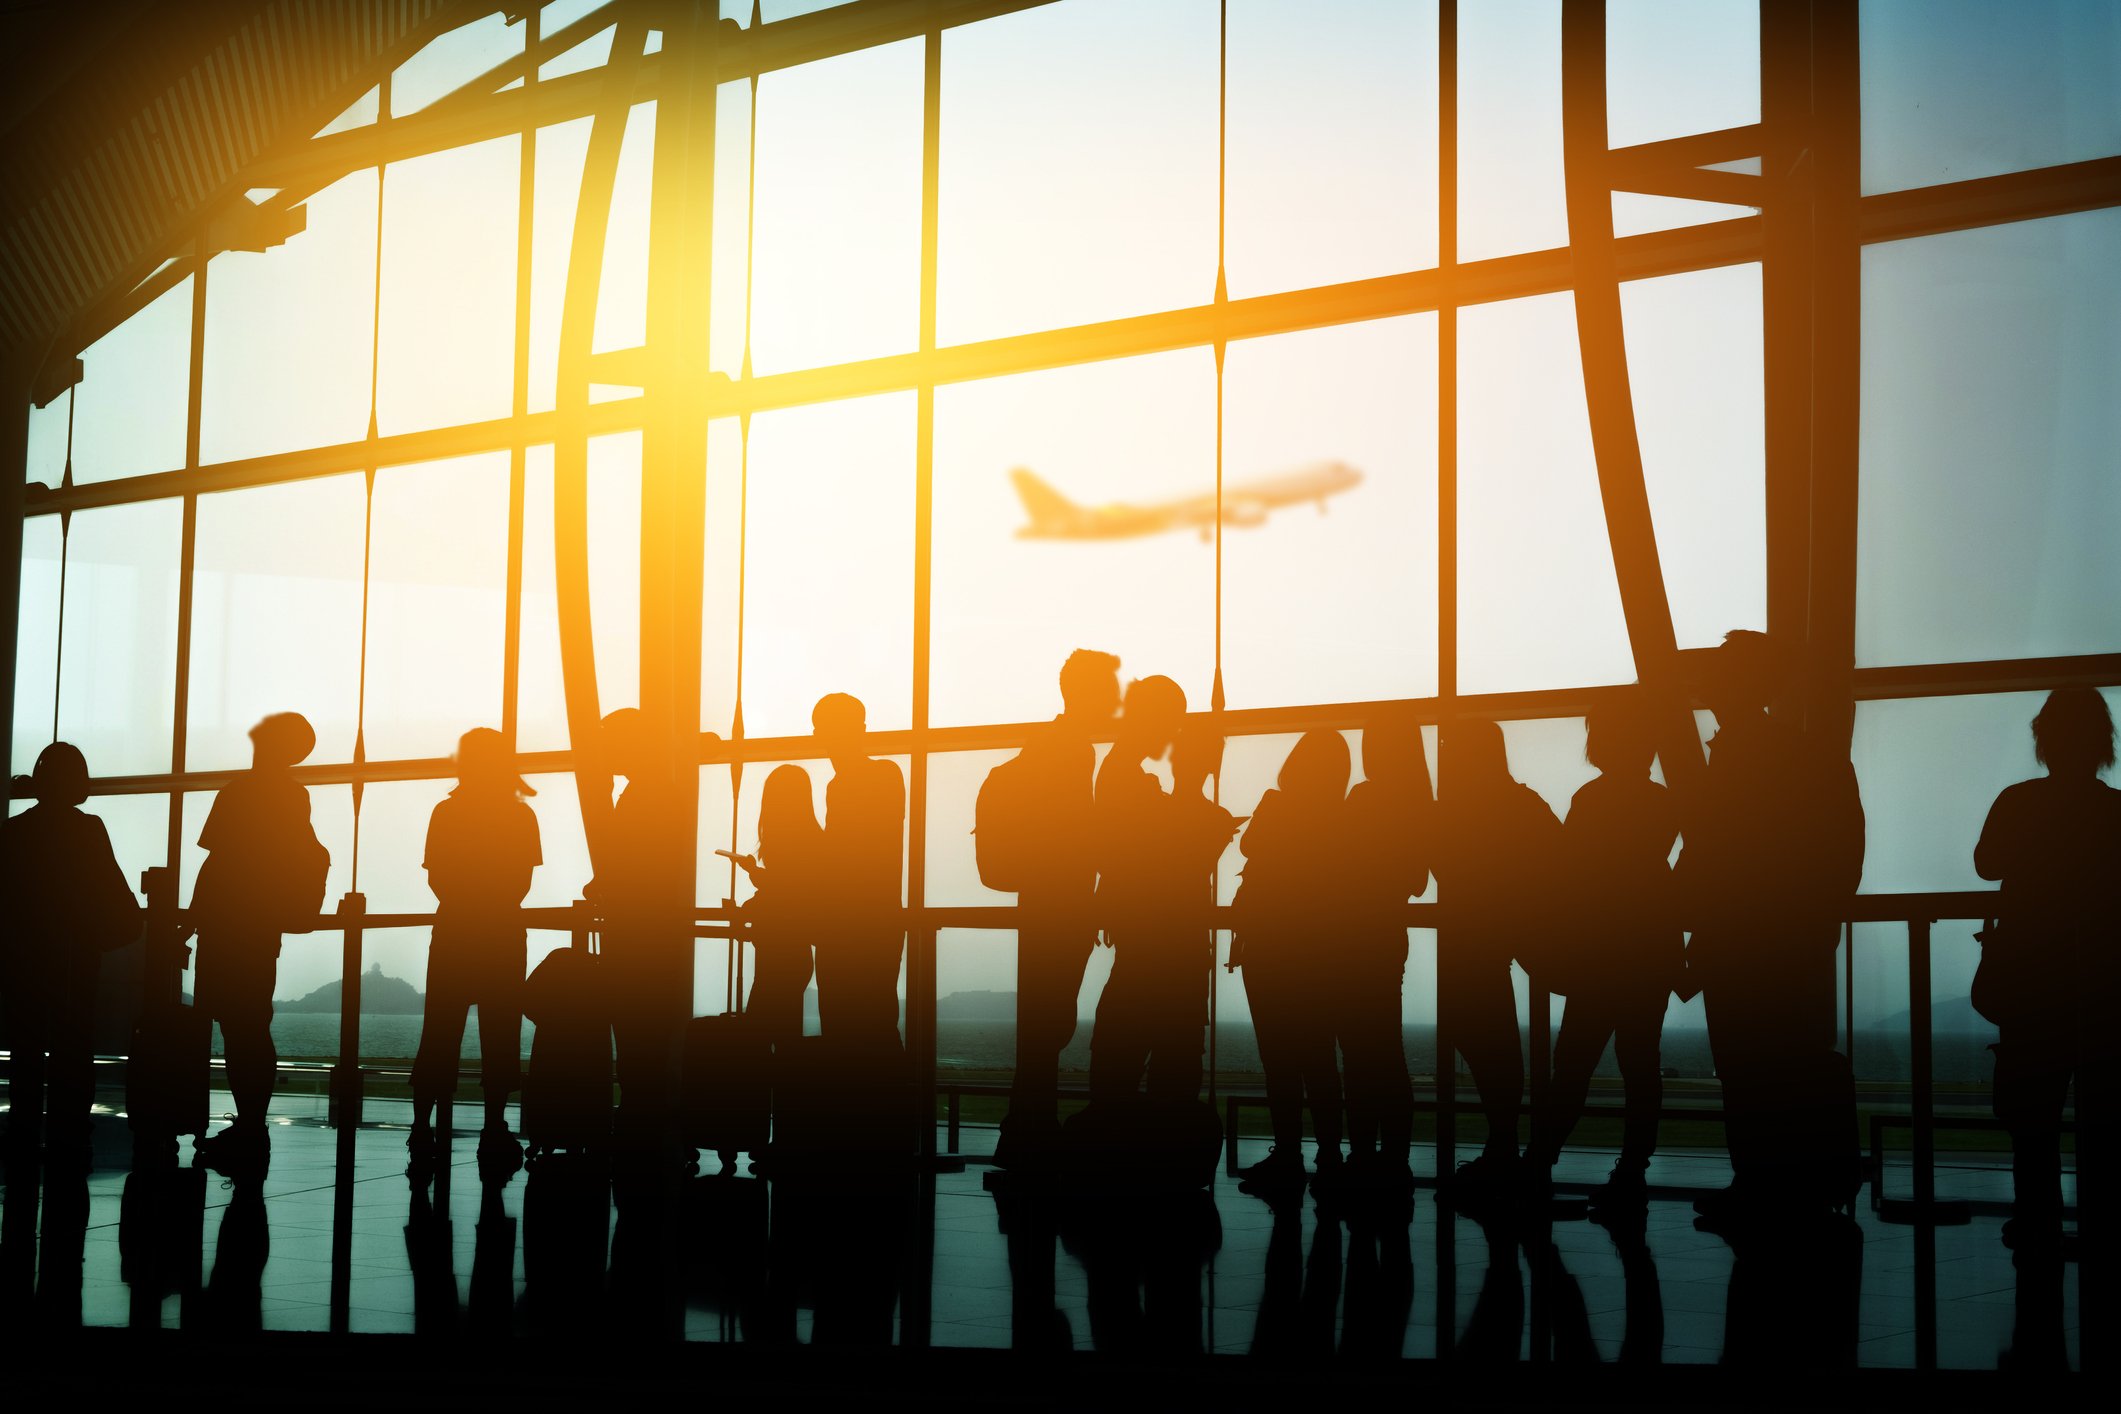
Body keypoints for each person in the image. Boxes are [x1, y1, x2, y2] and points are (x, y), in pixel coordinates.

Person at [1677, 630, 1863, 1220]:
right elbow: (1843, 854)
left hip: (1739, 938)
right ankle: (1794, 1183)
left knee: (1745, 1064)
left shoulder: (1730, 764)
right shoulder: (1815, 758)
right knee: (1785, 1058)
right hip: (1794, 938)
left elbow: (1709, 852)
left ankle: (1758, 1180)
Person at [1973, 687, 2121, 1252]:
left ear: (2045, 741)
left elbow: (1988, 864)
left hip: (2031, 979)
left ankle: (2036, 1218)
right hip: (2102, 984)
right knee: (2103, 1115)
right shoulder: (2112, 811)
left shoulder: (2018, 802)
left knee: (2030, 1116)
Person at [1528, 695, 1681, 1211]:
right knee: (1641, 1063)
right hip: (1650, 946)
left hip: (1602, 950)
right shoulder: (1662, 802)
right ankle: (1631, 1171)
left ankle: (1539, 1160)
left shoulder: (1591, 801)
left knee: (1573, 1062)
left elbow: (1571, 876)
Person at [994, 648, 1122, 1170]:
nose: (1115, 699)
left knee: (1042, 1023)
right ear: (1084, 692)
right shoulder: (1073, 750)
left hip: (1042, 900)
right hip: (1058, 902)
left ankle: (1025, 1130)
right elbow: (1075, 836)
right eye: (1108, 689)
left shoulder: (1050, 744)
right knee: (1049, 1022)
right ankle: (1027, 1132)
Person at [1088, 676, 1239, 1105]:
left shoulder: (1134, 784)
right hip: (1179, 953)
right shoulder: (1191, 812)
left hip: (1148, 949)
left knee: (1119, 1060)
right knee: (1172, 1068)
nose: (1170, 739)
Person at [189, 711, 326, 1172]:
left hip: (227, 923)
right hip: (258, 927)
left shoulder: (239, 792)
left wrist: (191, 919)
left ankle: (245, 1124)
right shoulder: (293, 796)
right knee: (249, 1025)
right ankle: (252, 1123)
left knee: (231, 1027)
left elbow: (216, 865)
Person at [408, 728, 542, 1182]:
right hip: (503, 933)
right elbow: (521, 884)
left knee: (439, 1031)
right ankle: (493, 1126)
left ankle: (422, 1126)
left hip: (454, 931)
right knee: (500, 1035)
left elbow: (438, 878)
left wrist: (466, 900)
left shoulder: (447, 812)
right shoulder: (521, 817)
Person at [0, 744, 140, 1177]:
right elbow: (115, 898)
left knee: (25, 1052)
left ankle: (22, 1134)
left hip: (24, 960)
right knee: (73, 1050)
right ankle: (70, 1136)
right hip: (75, 959)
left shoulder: (14, 832)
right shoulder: (88, 830)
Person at [1432, 718, 1558, 1200]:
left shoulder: (1461, 810)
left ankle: (1503, 1144)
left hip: (1477, 934)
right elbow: (1555, 854)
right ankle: (1505, 1145)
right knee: (1493, 1035)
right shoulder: (1521, 802)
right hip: (1500, 934)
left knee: (1485, 1035)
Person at [1231, 729, 1353, 1194]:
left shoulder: (1276, 804)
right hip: (1318, 949)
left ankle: (1288, 1154)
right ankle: (1328, 1154)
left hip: (1269, 945)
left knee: (1279, 1058)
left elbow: (1250, 848)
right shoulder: (1339, 818)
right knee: (1319, 1056)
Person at [1338, 706, 1433, 1194]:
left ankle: (1363, 1154)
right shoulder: (1419, 803)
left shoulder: (1363, 798)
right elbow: (1417, 880)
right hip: (1385, 934)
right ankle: (1393, 1158)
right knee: (1385, 1054)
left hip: (1352, 937)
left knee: (1359, 1056)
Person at [589, 708, 691, 1150]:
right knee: (645, 1028)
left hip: (637, 933)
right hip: (654, 931)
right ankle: (643, 1115)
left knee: (635, 1027)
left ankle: (638, 1115)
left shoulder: (639, 796)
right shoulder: (656, 792)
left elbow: (628, 862)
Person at [812, 693, 907, 1050]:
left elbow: (855, 852)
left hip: (859, 924)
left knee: (857, 1024)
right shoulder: (869, 778)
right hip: (862, 922)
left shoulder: (873, 777)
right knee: (866, 1023)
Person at [720, 763, 825, 1051]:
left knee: (759, 1035)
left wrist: (756, 890)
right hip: (791, 952)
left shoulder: (789, 839)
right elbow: (794, 888)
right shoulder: (811, 838)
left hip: (780, 952)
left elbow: (786, 890)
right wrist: (760, 879)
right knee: (782, 1038)